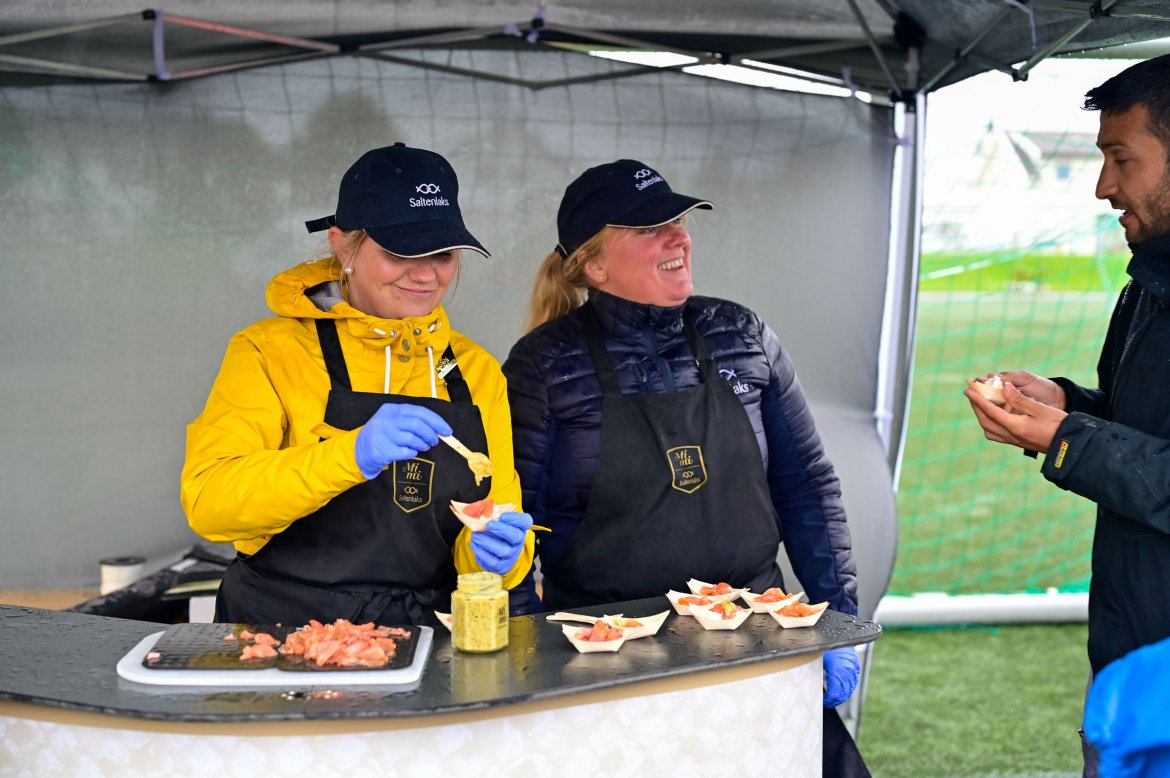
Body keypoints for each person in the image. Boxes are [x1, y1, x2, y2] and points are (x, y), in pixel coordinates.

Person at [503, 159, 868, 776]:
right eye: (649, 229)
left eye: (677, 220)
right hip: (610, 657)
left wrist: (840, 623)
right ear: (593, 265)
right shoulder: (544, 366)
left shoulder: (741, 333)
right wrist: (530, 650)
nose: (678, 237)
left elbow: (806, 487)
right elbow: (513, 524)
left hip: (757, 635)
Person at [181, 143, 536, 627]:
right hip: (282, 631)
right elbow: (210, 504)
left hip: (424, 638)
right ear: (342, 245)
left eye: (444, 252)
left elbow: (497, 518)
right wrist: (349, 456)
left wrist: (497, 557)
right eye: (400, 251)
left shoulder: (475, 370)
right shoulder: (268, 350)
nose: (427, 273)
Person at [964, 54, 1170, 777]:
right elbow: (1141, 427)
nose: (1102, 186)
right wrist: (1063, 403)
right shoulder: (1148, 279)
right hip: (1133, 644)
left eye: (1122, 159)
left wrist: (1065, 437)